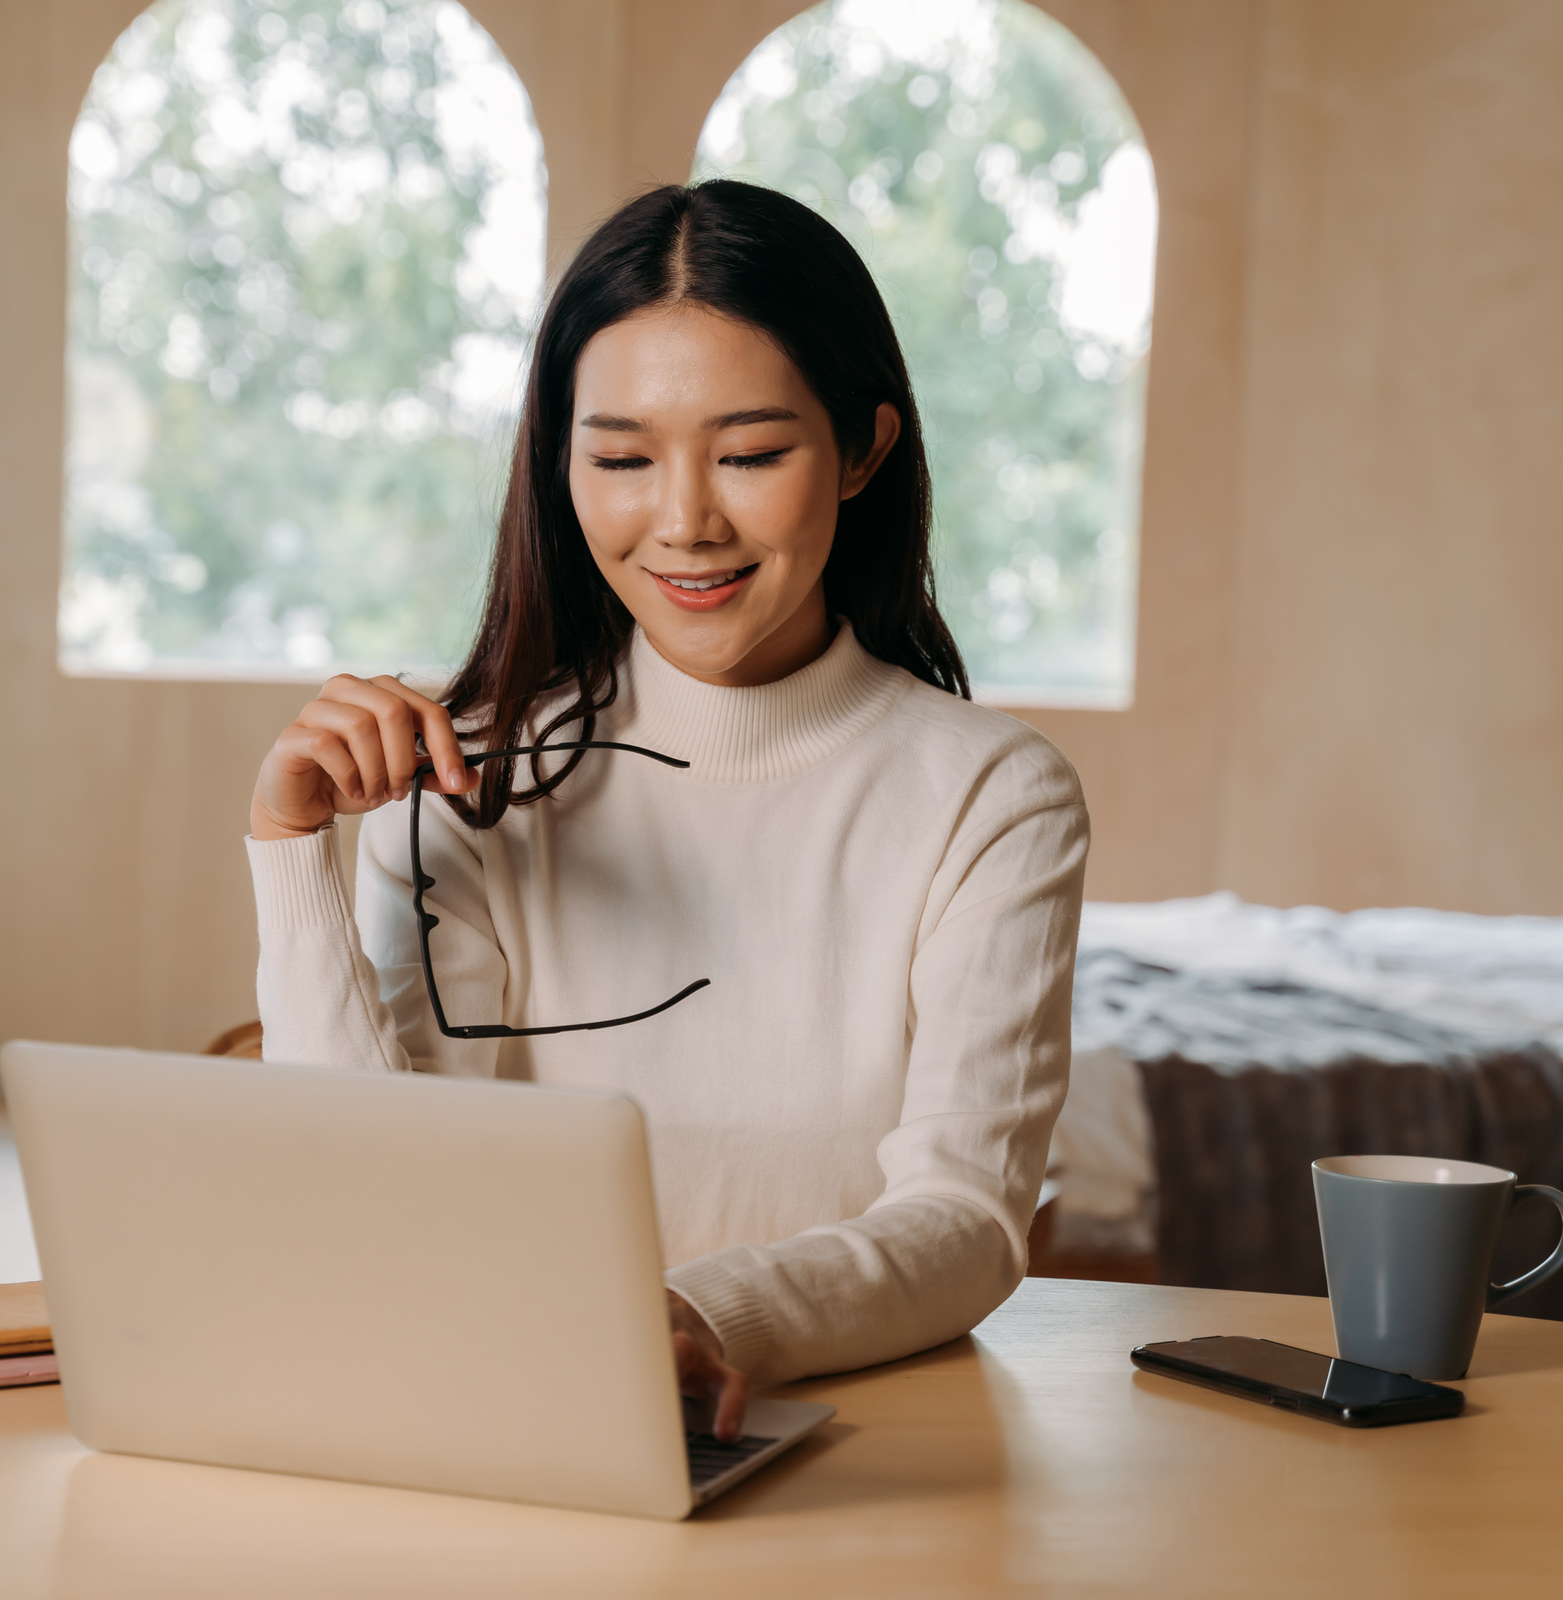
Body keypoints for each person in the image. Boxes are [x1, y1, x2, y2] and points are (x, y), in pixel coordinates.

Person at [245, 180, 1087, 1439]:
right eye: (624, 459)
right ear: (561, 463)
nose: (685, 521)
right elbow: (364, 1186)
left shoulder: (991, 796)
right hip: (496, 1420)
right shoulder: (465, 773)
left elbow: (965, 1224)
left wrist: (684, 1318)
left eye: (749, 455)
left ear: (863, 450)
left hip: (851, 1443)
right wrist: (289, 852)